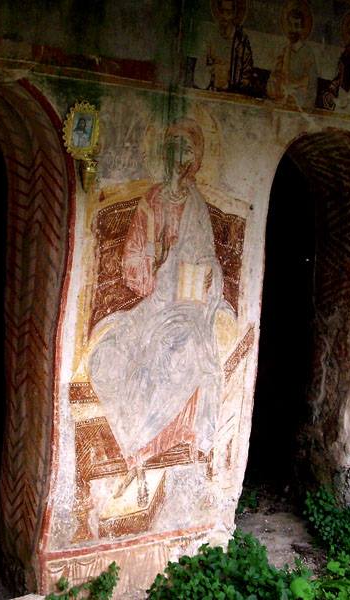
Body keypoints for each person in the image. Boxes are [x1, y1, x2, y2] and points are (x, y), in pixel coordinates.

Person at [88, 119, 226, 507]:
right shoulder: (151, 201)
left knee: (173, 354)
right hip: (157, 302)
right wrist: (153, 264)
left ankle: (146, 453)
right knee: (106, 356)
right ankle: (133, 452)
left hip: (188, 308)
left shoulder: (197, 206)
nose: (178, 157)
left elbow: (210, 260)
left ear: (195, 158)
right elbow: (132, 259)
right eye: (173, 148)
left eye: (186, 150)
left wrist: (204, 276)